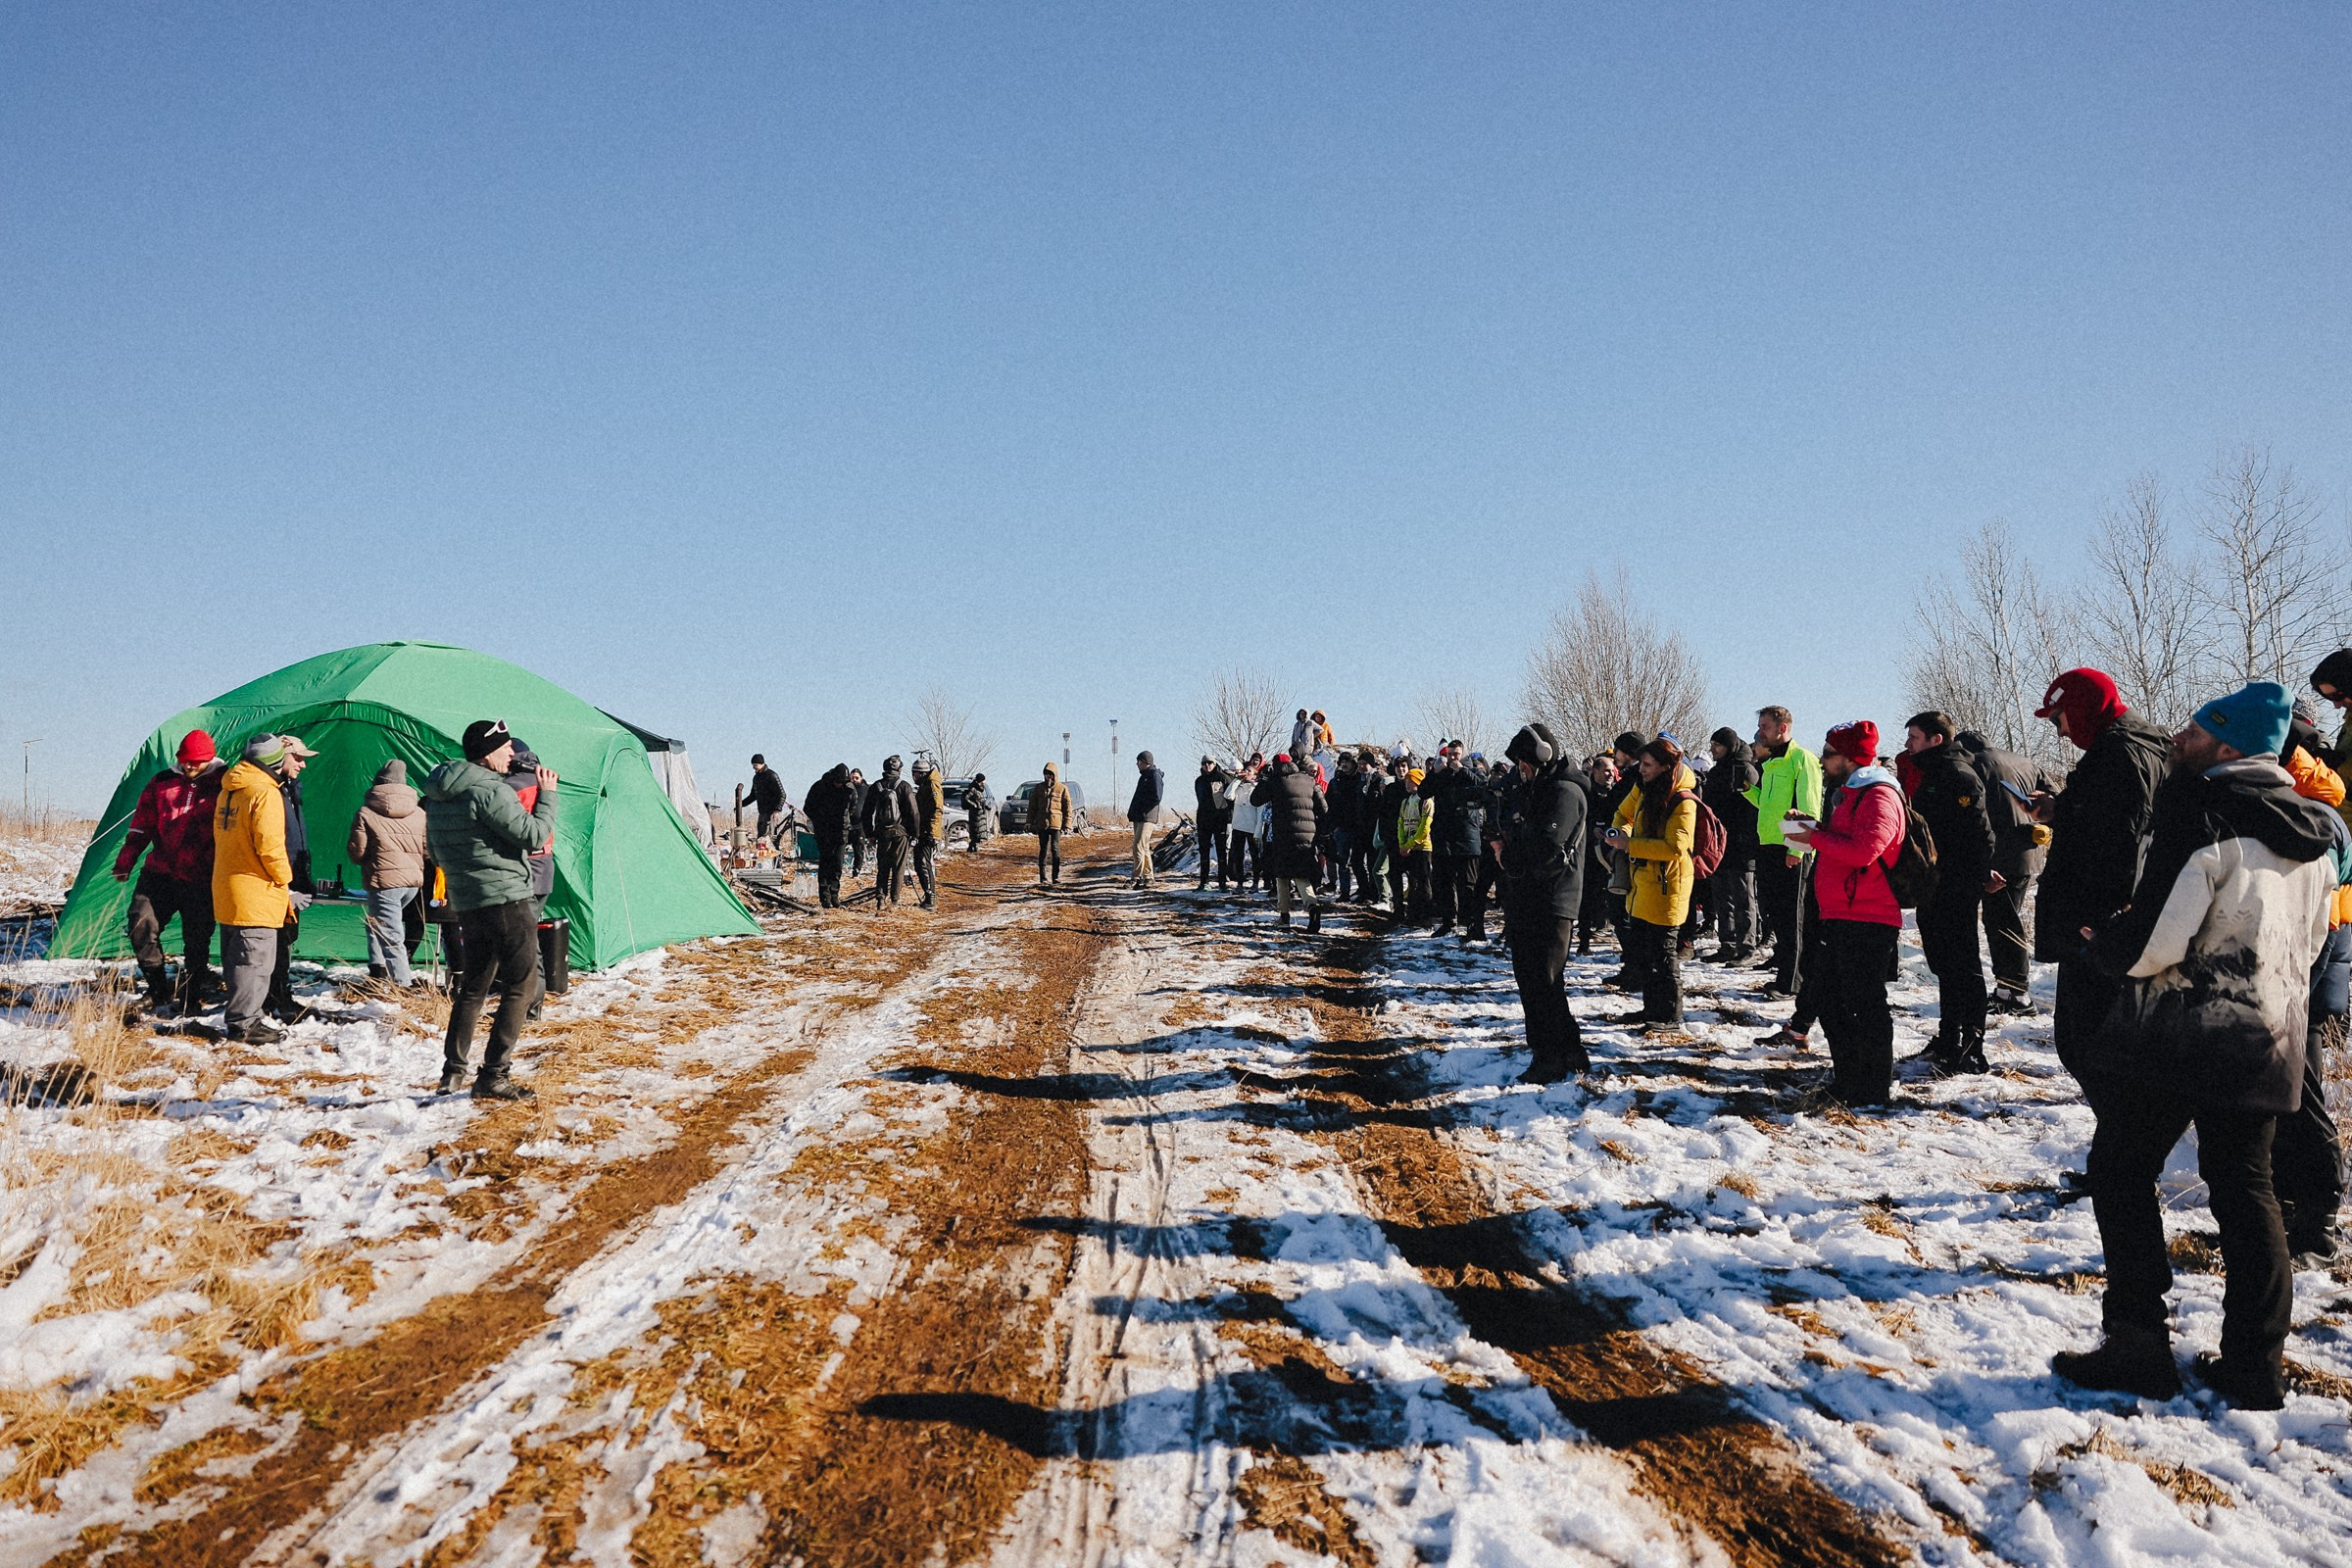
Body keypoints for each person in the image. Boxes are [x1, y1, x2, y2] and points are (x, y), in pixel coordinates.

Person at [2051, 683, 2335, 1410]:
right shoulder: (2318, 831)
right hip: (2269, 1037)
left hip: (2181, 1033)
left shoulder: (2201, 813)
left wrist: (2101, 948)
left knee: (2119, 1168)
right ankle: (2255, 1366)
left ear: (2230, 746)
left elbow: (2157, 942)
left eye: (2195, 730)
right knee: (2248, 1190)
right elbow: (2310, 946)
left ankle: (2139, 1342)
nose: (2178, 737)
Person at [2031, 668, 2172, 1086]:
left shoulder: (2116, 754)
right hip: (2122, 917)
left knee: (2084, 1043)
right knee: (2101, 1043)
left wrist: (2106, 925)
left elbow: (2119, 842)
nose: (2059, 732)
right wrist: (2062, 809)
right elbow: (2106, 820)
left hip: (2098, 922)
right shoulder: (2153, 744)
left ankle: (2125, 1139)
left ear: (2079, 709)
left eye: (2058, 719)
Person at [424, 719, 559, 1100]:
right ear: (487, 754)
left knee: (473, 988)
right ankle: (494, 1075)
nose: (512, 754)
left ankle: (452, 1072)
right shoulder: (490, 791)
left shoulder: (438, 794)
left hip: (468, 901)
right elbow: (533, 837)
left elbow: (435, 851)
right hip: (507, 899)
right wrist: (547, 796)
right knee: (521, 984)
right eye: (504, 748)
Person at [1783, 722, 1904, 1107]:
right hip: (1844, 913)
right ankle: (1849, 1081)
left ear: (1850, 757)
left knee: (1863, 1004)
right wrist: (1813, 827)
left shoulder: (1879, 794)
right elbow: (1848, 842)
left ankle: (1871, 1089)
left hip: (1869, 916)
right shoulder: (1852, 794)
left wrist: (1813, 837)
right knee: (1834, 1002)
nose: (1822, 760)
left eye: (1829, 752)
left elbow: (1865, 851)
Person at [2275, 705, 2350, 1262]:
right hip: (2317, 950)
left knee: (2301, 1087)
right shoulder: (2320, 802)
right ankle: (2296, 1210)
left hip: (2308, 952)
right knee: (2296, 1082)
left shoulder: (2311, 814)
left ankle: (2319, 1219)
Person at [1902, 711, 1996, 1075]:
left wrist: (1977, 877)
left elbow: (1980, 834)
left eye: (1915, 737)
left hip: (1955, 886)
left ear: (1935, 740)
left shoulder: (1958, 774)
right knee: (1944, 964)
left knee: (1964, 965)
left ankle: (1973, 1045)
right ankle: (1948, 1036)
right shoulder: (1933, 773)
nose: (1909, 743)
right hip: (1934, 886)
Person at [115, 729, 225, 1014]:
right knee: (140, 925)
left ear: (210, 758)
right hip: (159, 873)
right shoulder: (162, 783)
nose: (190, 766)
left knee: (197, 939)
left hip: (201, 877)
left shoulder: (225, 783)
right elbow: (142, 825)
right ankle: (157, 990)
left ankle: (192, 994)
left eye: (197, 761)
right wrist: (126, 861)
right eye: (186, 760)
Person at [1503, 724, 1591, 1082]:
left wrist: (1508, 855)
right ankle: (1570, 1050)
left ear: (1541, 756)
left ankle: (1548, 1058)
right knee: (1541, 980)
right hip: (1537, 898)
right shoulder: (1544, 789)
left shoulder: (1563, 792)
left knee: (1541, 980)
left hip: (1551, 899)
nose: (1520, 768)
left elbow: (1547, 850)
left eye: (1523, 761)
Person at [1954, 730, 2058, 1015]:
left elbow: (1979, 814)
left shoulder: (1975, 764)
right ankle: (2008, 989)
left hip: (1999, 855)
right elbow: (2056, 799)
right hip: (2030, 851)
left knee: (2002, 924)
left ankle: (2017, 994)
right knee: (2004, 920)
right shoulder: (2026, 762)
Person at [1604, 736, 1697, 1032]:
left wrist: (1629, 844)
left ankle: (1670, 1016)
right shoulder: (1644, 788)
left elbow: (1675, 848)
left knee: (1664, 955)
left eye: (1647, 764)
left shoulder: (1683, 800)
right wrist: (1619, 831)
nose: (1640, 769)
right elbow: (1623, 812)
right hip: (1643, 884)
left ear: (1664, 767)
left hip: (1669, 887)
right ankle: (1651, 1009)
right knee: (1645, 953)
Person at [212, 735, 300, 1044]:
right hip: (256, 892)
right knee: (254, 960)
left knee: (236, 959)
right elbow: (270, 845)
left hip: (227, 887)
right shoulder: (264, 792)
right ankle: (245, 1024)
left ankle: (243, 1018)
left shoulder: (229, 790)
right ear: (274, 761)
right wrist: (284, 877)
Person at [1745, 707, 1823, 997]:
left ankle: (1792, 982)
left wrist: (1797, 849)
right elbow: (1769, 807)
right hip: (1768, 845)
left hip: (1790, 850)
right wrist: (1747, 790)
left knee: (1793, 918)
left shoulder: (1802, 759)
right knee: (1776, 914)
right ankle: (1784, 973)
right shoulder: (1771, 763)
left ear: (1783, 728)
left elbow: (1809, 807)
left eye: (1765, 726)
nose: (1760, 731)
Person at [346, 758, 427, 988]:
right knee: (376, 922)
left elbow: (357, 852)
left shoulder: (365, 812)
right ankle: (377, 968)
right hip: (412, 882)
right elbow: (427, 849)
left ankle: (402, 984)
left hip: (384, 881)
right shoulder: (419, 813)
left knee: (391, 935)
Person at [503, 738, 558, 1019]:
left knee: (525, 944)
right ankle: (527, 1005)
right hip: (543, 867)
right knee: (528, 939)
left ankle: (529, 1008)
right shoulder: (539, 780)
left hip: (526, 870)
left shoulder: (513, 786)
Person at [1701, 728, 1761, 961]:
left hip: (1741, 844)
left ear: (1729, 746)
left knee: (1743, 897)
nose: (1713, 749)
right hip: (1719, 844)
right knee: (1722, 897)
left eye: (1717, 745)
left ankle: (1746, 946)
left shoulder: (1745, 769)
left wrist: (1747, 837)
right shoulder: (1716, 773)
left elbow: (1754, 807)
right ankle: (1726, 944)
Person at [1253, 753, 1327, 931]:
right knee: (1301, 875)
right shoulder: (1308, 779)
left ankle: (1284, 916)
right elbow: (1324, 808)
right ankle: (1312, 906)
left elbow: (1255, 800)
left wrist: (1264, 779)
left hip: (1283, 836)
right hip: (1307, 836)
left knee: (1282, 876)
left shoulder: (1275, 781)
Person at [1428, 744, 1494, 944]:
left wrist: (1462, 771)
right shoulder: (1441, 773)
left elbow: (1484, 787)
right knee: (1444, 882)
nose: (1453, 758)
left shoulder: (1472, 770)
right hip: (1444, 836)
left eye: (1456, 754)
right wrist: (1434, 772)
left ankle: (1472, 925)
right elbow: (1423, 792)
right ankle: (1449, 922)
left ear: (1463, 754)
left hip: (1468, 835)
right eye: (1450, 755)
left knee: (1468, 884)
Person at [861, 756, 918, 907]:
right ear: (899, 769)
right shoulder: (904, 786)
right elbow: (914, 812)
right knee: (898, 867)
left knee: (883, 867)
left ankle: (880, 898)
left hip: (882, 833)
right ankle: (895, 900)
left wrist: (870, 834)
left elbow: (866, 812)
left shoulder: (876, 786)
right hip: (900, 833)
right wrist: (914, 833)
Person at [1576, 755, 1618, 955]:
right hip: (1589, 852)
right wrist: (1592, 829)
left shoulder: (1617, 792)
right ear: (1595, 771)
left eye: (1612, 771)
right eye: (1606, 771)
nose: (1610, 775)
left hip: (1613, 850)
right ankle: (1584, 940)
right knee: (1587, 896)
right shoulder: (1586, 791)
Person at [805, 764, 858, 906]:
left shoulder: (849, 788)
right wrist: (820, 820)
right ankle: (825, 897)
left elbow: (853, 807)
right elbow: (808, 807)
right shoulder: (820, 787)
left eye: (843, 782)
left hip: (841, 830)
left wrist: (845, 819)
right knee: (825, 863)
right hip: (824, 831)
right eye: (838, 782)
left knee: (837, 865)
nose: (840, 785)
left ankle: (835, 895)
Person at [1396, 767, 1436, 922]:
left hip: (1423, 847)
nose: (1407, 784)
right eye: (1406, 781)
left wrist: (1410, 844)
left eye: (1410, 781)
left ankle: (1425, 916)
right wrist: (1402, 843)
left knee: (1424, 881)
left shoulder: (1427, 801)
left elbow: (1425, 827)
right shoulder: (1405, 802)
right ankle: (1413, 914)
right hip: (1408, 848)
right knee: (1412, 882)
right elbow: (1400, 823)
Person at [911, 756, 947, 908]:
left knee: (923, 863)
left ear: (922, 773)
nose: (914, 777)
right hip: (924, 830)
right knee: (920, 862)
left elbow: (937, 809)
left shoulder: (932, 784)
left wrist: (932, 832)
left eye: (916, 774)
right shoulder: (926, 784)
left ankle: (930, 898)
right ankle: (929, 896)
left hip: (928, 831)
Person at [1193, 757, 1233, 890]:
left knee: (1221, 852)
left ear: (1215, 763)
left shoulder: (1223, 778)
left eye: (1210, 763)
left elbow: (1231, 800)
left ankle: (1222, 883)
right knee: (1204, 851)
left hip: (1220, 819)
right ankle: (1204, 882)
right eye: (1204, 763)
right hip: (1204, 820)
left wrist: (1228, 817)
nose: (1207, 766)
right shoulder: (1199, 781)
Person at [1127, 750, 1165, 888]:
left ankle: (1136, 877)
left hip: (1147, 817)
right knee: (1144, 848)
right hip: (1139, 816)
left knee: (1138, 846)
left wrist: (1143, 809)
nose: (1137, 764)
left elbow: (1157, 797)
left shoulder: (1154, 776)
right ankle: (1148, 876)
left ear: (1145, 762)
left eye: (1139, 761)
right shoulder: (1144, 776)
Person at [1032, 762, 1072, 884]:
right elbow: (1032, 807)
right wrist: (1029, 822)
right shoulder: (1038, 788)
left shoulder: (1062, 788)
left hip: (1056, 824)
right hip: (1042, 824)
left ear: (1055, 775)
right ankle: (1043, 877)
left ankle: (1055, 877)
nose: (1048, 777)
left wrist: (1067, 825)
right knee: (1043, 850)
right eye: (1046, 774)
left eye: (1050, 774)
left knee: (1055, 850)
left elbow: (1067, 808)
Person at [747, 755, 786, 842]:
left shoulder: (772, 775)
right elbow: (753, 796)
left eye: (755, 765)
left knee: (769, 838)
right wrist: (740, 804)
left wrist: (777, 810)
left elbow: (782, 794)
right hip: (762, 811)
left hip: (772, 812)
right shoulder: (756, 778)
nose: (754, 768)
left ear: (762, 764)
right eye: (753, 765)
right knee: (760, 837)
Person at [963, 771, 996, 853]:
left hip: (981, 812)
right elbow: (966, 798)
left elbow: (982, 798)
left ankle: (974, 845)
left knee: (980, 830)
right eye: (982, 781)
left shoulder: (981, 789)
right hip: (975, 813)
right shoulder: (973, 789)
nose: (983, 783)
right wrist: (974, 805)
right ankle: (973, 845)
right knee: (976, 830)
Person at [848, 767, 871, 878]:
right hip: (847, 824)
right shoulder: (846, 789)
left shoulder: (866, 790)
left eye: (856, 778)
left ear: (861, 778)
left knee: (859, 850)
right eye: (852, 778)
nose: (854, 780)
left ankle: (856, 871)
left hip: (860, 824)